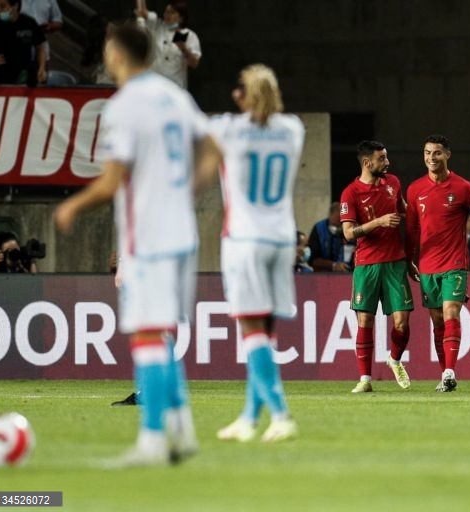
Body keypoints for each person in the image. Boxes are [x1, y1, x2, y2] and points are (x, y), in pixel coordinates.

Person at [54, 22, 223, 464]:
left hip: (147, 234)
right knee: (161, 329)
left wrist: (72, 207)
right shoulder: (174, 95)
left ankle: (151, 441)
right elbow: (212, 149)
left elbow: (111, 181)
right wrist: (188, 190)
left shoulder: (124, 107)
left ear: (115, 54)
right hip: (181, 232)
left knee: (148, 333)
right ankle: (181, 432)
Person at [213, 63, 302, 443]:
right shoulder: (293, 130)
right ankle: (249, 418)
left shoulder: (230, 131)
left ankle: (281, 415)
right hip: (282, 239)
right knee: (265, 332)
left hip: (245, 239)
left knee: (250, 331)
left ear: (245, 94)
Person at [406, 134, 470, 392]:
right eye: (427, 153)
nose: (431, 158)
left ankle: (450, 371)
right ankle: (445, 375)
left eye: (436, 153)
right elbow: (412, 230)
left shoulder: (464, 188)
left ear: (447, 155)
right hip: (427, 265)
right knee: (437, 321)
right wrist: (408, 260)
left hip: (455, 263)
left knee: (450, 312)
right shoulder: (415, 190)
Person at [340, 140, 413, 393]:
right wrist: (378, 222)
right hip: (367, 264)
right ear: (367, 163)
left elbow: (406, 212)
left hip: (395, 262)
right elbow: (349, 233)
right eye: (382, 158)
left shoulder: (393, 183)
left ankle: (394, 360)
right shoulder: (351, 193)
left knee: (402, 322)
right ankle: (365, 379)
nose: (387, 162)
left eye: (386, 157)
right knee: (365, 320)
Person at [0, 0, 46, 85]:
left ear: (15, 6)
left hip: (25, 78)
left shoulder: (29, 23)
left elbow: (40, 48)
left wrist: (42, 68)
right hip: (0, 78)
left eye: (3, 6)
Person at [135, 0, 201, 90]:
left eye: (172, 12)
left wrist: (184, 49)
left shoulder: (189, 35)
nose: (167, 15)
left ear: (181, 17)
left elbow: (194, 64)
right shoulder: (156, 26)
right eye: (166, 12)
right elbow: (142, 12)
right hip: (153, 85)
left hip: (175, 87)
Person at [308, 202, 354, 272]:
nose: (339, 224)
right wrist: (333, 265)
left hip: (346, 274)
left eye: (342, 222)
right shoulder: (318, 229)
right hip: (322, 275)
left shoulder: (348, 230)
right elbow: (313, 259)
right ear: (330, 214)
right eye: (338, 219)